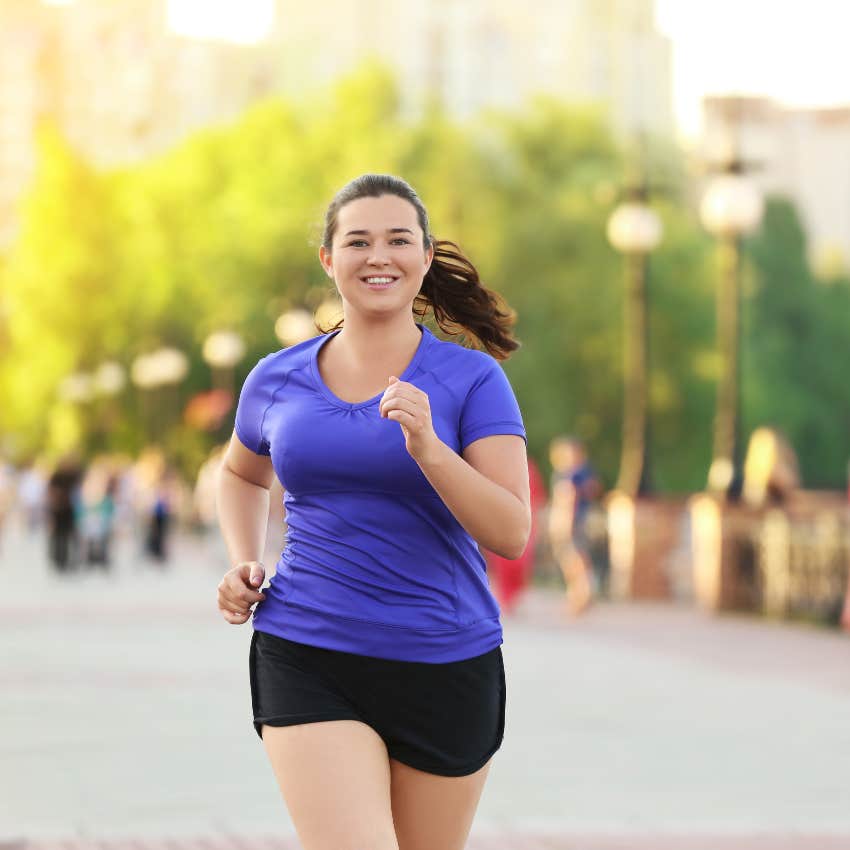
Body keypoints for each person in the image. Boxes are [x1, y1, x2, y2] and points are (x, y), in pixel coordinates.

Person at [215, 174, 529, 850]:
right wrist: (245, 558)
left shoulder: (475, 381)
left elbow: (510, 531)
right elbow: (240, 473)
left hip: (445, 663)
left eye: (397, 240)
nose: (377, 256)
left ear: (422, 257)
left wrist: (430, 449)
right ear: (329, 260)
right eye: (357, 241)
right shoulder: (276, 378)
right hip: (306, 649)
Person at [547, 435, 601, 616]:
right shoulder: (564, 473)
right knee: (569, 557)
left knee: (575, 556)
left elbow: (572, 499)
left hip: (573, 520)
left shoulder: (577, 474)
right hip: (566, 519)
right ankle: (578, 592)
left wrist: (565, 522)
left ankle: (584, 590)